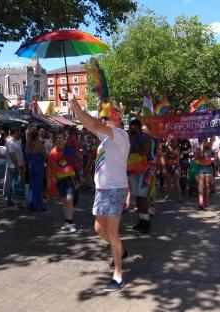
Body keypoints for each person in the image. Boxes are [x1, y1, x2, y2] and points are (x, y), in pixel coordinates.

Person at [68, 93, 130, 292]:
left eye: (107, 116)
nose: (104, 118)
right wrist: (75, 110)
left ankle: (118, 275)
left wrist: (77, 107)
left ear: (118, 118)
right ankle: (119, 248)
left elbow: (94, 124)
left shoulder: (121, 135)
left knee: (112, 232)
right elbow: (89, 124)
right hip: (102, 189)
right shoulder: (104, 137)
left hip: (115, 188)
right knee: (98, 228)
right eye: (103, 116)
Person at [47, 132, 78, 233]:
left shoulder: (69, 150)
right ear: (54, 141)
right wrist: (49, 180)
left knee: (69, 199)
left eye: (61, 138)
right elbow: (50, 168)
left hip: (70, 178)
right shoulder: (53, 153)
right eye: (57, 139)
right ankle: (67, 221)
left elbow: (76, 163)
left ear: (65, 140)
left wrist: (79, 177)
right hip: (59, 179)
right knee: (64, 201)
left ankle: (71, 222)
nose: (59, 140)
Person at [127, 119, 152, 233]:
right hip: (133, 171)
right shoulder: (129, 138)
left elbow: (143, 153)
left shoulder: (146, 138)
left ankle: (146, 221)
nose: (131, 129)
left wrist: (134, 143)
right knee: (137, 196)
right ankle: (141, 219)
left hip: (144, 171)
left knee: (142, 196)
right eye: (130, 127)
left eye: (133, 127)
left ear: (138, 127)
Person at [26, 128, 47, 211]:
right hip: (38, 165)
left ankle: (31, 204)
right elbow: (45, 155)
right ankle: (38, 205)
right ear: (37, 135)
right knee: (38, 185)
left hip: (31, 165)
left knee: (32, 185)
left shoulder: (29, 144)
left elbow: (26, 153)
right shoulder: (40, 145)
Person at [6, 127, 25, 209]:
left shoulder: (17, 141)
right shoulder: (10, 142)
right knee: (13, 185)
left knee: (16, 185)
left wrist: (22, 165)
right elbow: (12, 155)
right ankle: (11, 203)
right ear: (16, 132)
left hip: (19, 166)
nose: (20, 133)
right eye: (19, 132)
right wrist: (17, 167)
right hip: (13, 167)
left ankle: (16, 203)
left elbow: (19, 154)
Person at [195, 138, 214, 209]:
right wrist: (202, 151)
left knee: (207, 185)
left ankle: (207, 200)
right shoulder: (198, 150)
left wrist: (209, 160)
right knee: (200, 185)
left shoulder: (210, 149)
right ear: (200, 143)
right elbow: (196, 162)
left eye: (205, 141)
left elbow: (213, 158)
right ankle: (200, 201)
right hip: (200, 169)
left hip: (208, 168)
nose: (205, 142)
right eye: (203, 141)